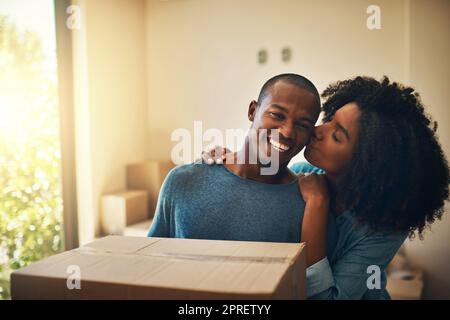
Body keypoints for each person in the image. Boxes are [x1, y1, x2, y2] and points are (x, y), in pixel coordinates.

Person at [203, 76, 450, 299]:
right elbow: (254, 177)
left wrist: (317, 204)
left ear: (366, 162)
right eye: (329, 120)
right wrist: (230, 159)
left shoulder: (385, 228)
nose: (318, 131)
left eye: (337, 135)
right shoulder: (301, 174)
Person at [147, 73, 336, 247]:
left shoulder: (309, 207)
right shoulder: (182, 181)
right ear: (253, 111)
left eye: (302, 125)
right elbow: (150, 261)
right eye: (277, 115)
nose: (287, 132)